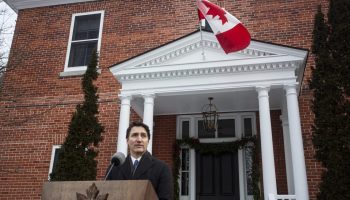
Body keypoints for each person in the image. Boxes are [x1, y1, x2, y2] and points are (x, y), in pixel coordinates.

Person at [106, 121, 172, 200]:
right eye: (134, 135)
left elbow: (165, 198)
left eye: (143, 136)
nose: (139, 140)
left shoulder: (162, 168)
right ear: (127, 140)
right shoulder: (113, 168)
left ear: (148, 141)